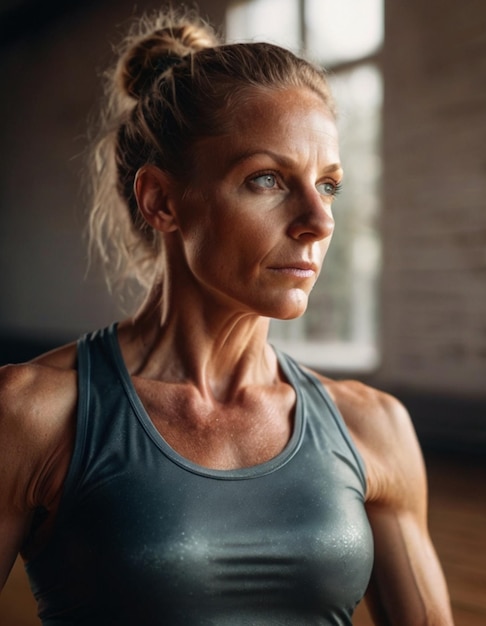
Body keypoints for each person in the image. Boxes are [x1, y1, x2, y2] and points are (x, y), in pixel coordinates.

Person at [0, 8, 453, 625]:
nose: (319, 222)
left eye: (328, 185)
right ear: (161, 200)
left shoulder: (375, 428)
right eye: (267, 179)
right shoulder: (32, 416)